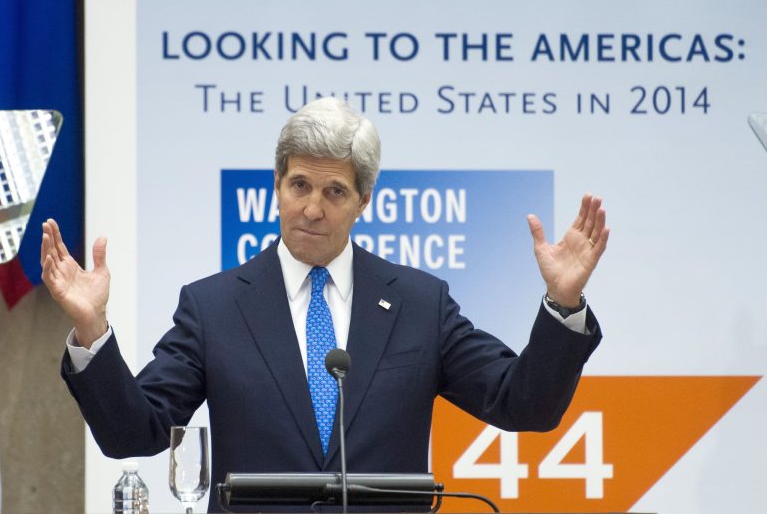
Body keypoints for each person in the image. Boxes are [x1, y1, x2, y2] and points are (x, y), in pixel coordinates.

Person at [41, 97, 609, 512]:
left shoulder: (418, 303)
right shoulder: (212, 307)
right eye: (300, 186)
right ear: (277, 185)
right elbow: (134, 433)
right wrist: (92, 329)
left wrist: (563, 303)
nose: (313, 208)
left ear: (364, 199)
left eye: (334, 191)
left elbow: (523, 406)